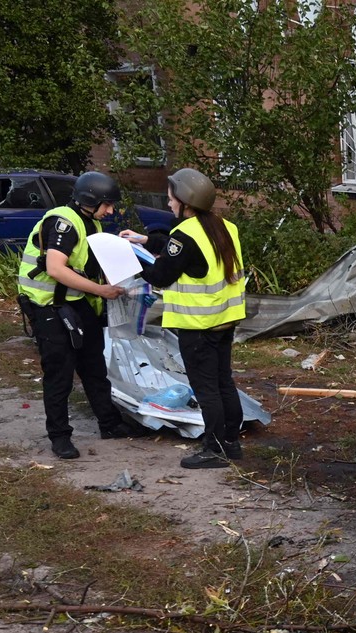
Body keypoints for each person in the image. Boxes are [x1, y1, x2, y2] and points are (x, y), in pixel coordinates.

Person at [121, 167, 246, 469]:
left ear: (185, 200)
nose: (168, 203)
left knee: (206, 390)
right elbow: (182, 252)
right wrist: (144, 240)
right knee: (223, 381)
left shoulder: (184, 234)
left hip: (198, 325)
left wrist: (128, 257)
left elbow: (161, 275)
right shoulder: (224, 226)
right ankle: (231, 443)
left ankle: (213, 450)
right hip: (224, 320)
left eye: (170, 198)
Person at [16, 170, 134, 459]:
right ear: (89, 200)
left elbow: (87, 264)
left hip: (77, 303)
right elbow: (56, 268)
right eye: (107, 205)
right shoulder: (63, 223)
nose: (111, 211)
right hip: (48, 306)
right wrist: (100, 289)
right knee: (60, 373)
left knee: (94, 366)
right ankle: (59, 437)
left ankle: (109, 423)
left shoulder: (90, 223)